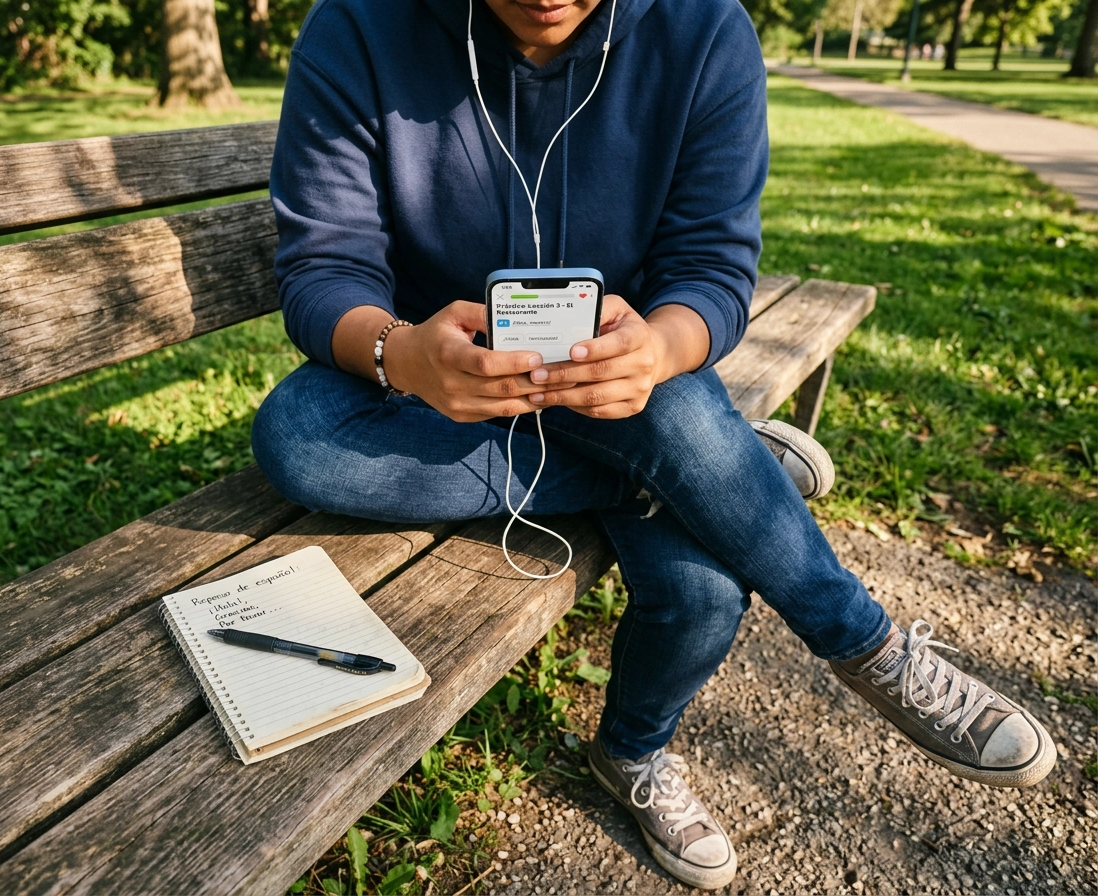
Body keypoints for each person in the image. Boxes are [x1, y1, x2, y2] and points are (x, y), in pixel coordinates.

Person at [253, 0, 1057, 888]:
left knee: (703, 589)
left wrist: (662, 349)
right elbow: (324, 267)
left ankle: (697, 721)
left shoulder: (705, 30)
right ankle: (711, 471)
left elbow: (712, 268)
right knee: (300, 439)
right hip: (444, 386)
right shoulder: (360, 27)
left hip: (632, 384)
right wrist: (398, 351)